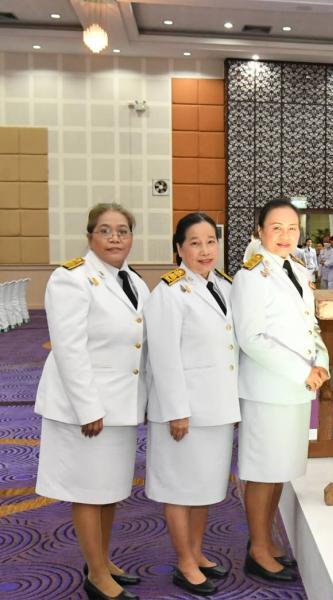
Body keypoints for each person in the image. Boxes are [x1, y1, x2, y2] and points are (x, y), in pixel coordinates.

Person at [35, 203, 148, 600]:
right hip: (87, 408)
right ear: (90, 236)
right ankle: (97, 575)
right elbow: (69, 349)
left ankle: (101, 559)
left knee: (110, 489)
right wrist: (88, 408)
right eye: (105, 230)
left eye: (122, 230)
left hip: (121, 405)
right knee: (88, 490)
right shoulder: (71, 278)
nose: (115, 238)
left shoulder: (132, 280)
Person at [230, 199, 330, 582]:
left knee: (279, 471)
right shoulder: (251, 276)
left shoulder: (297, 270)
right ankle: (258, 550)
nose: (285, 235)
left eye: (292, 228)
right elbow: (251, 338)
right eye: (276, 227)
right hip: (268, 389)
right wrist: (303, 371)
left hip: (295, 388)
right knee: (262, 472)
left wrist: (320, 362)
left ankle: (267, 540)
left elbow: (310, 325)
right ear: (259, 231)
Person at [144, 212, 241, 596]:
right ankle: (184, 561)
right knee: (179, 488)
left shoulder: (224, 285)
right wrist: (176, 411)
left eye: (211, 241)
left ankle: (197, 552)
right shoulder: (169, 292)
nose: (205, 250)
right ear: (179, 249)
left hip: (216, 407)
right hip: (184, 412)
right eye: (195, 243)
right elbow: (163, 356)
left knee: (205, 487)